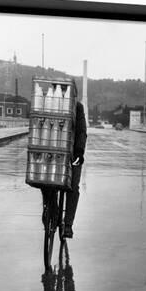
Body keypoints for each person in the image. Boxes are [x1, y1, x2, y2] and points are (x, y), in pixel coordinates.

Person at [63, 100, 87, 238]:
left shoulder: (77, 107)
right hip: (65, 153)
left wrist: (79, 151)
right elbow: (82, 131)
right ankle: (64, 223)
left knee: (72, 186)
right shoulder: (77, 106)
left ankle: (66, 224)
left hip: (70, 153)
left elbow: (81, 132)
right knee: (72, 187)